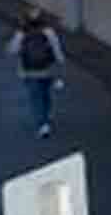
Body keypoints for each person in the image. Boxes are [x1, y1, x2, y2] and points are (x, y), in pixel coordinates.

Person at [7, 8, 67, 138]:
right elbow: (56, 49)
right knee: (45, 93)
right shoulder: (48, 32)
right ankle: (47, 115)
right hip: (47, 69)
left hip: (29, 71)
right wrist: (60, 64)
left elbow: (13, 50)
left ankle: (42, 124)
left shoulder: (22, 33)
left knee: (36, 98)